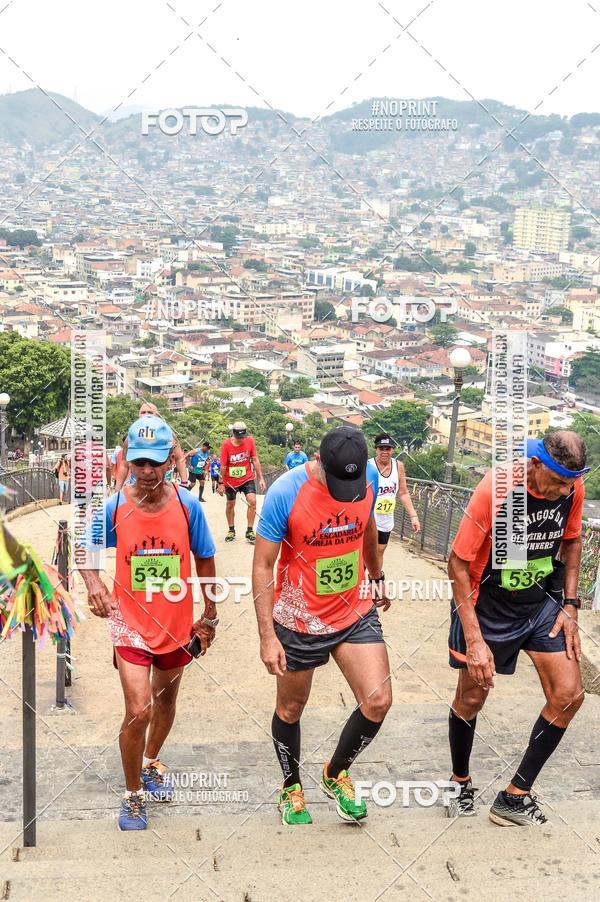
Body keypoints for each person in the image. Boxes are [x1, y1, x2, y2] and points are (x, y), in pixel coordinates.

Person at [80, 415, 218, 832]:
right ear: (127, 459)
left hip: (175, 622)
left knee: (166, 701)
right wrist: (94, 583)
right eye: (138, 462)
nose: (146, 471)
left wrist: (210, 616)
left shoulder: (187, 506)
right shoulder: (115, 507)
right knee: (139, 709)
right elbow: (85, 548)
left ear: (170, 459)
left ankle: (150, 759)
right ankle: (133, 793)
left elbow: (205, 559)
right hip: (130, 624)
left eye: (155, 462)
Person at [446, 431, 588, 826]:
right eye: (558, 481)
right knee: (472, 698)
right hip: (488, 605)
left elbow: (572, 541)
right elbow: (457, 564)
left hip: (541, 602)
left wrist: (570, 604)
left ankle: (515, 796)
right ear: (536, 464)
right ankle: (459, 781)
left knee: (568, 696)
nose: (565, 491)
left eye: (571, 483)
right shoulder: (495, 490)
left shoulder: (572, 487)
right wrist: (474, 639)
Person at [253, 425, 391, 825]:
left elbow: (368, 527)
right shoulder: (285, 492)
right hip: (300, 618)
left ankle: (336, 772)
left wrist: (376, 576)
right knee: (290, 708)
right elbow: (262, 565)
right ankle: (291, 787)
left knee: (378, 701)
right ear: (318, 461)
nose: (346, 493)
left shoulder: (367, 476)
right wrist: (266, 636)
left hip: (353, 609)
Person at [370, 434, 420, 570]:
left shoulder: (398, 466)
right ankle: (362, 580)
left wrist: (413, 516)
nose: (384, 452)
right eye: (381, 449)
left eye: (388, 449)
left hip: (386, 518)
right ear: (376, 449)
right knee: (367, 551)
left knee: (380, 550)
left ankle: (375, 578)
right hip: (370, 518)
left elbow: (403, 492)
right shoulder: (369, 466)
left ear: (392, 450)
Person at [114, 402, 190, 491]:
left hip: (163, 487)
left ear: (157, 415)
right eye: (143, 412)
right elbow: (124, 464)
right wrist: (117, 491)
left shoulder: (168, 436)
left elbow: (179, 459)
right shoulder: (131, 437)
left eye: (150, 412)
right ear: (139, 415)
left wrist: (184, 483)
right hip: (137, 487)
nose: (146, 415)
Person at [218, 421, 266, 544]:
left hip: (247, 478)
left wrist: (261, 478)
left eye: (242, 436)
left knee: (252, 501)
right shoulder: (226, 445)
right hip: (230, 480)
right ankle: (231, 530)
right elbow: (223, 466)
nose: (241, 439)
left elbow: (255, 459)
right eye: (238, 437)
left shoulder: (250, 441)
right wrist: (220, 483)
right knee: (230, 504)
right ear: (233, 433)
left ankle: (249, 531)